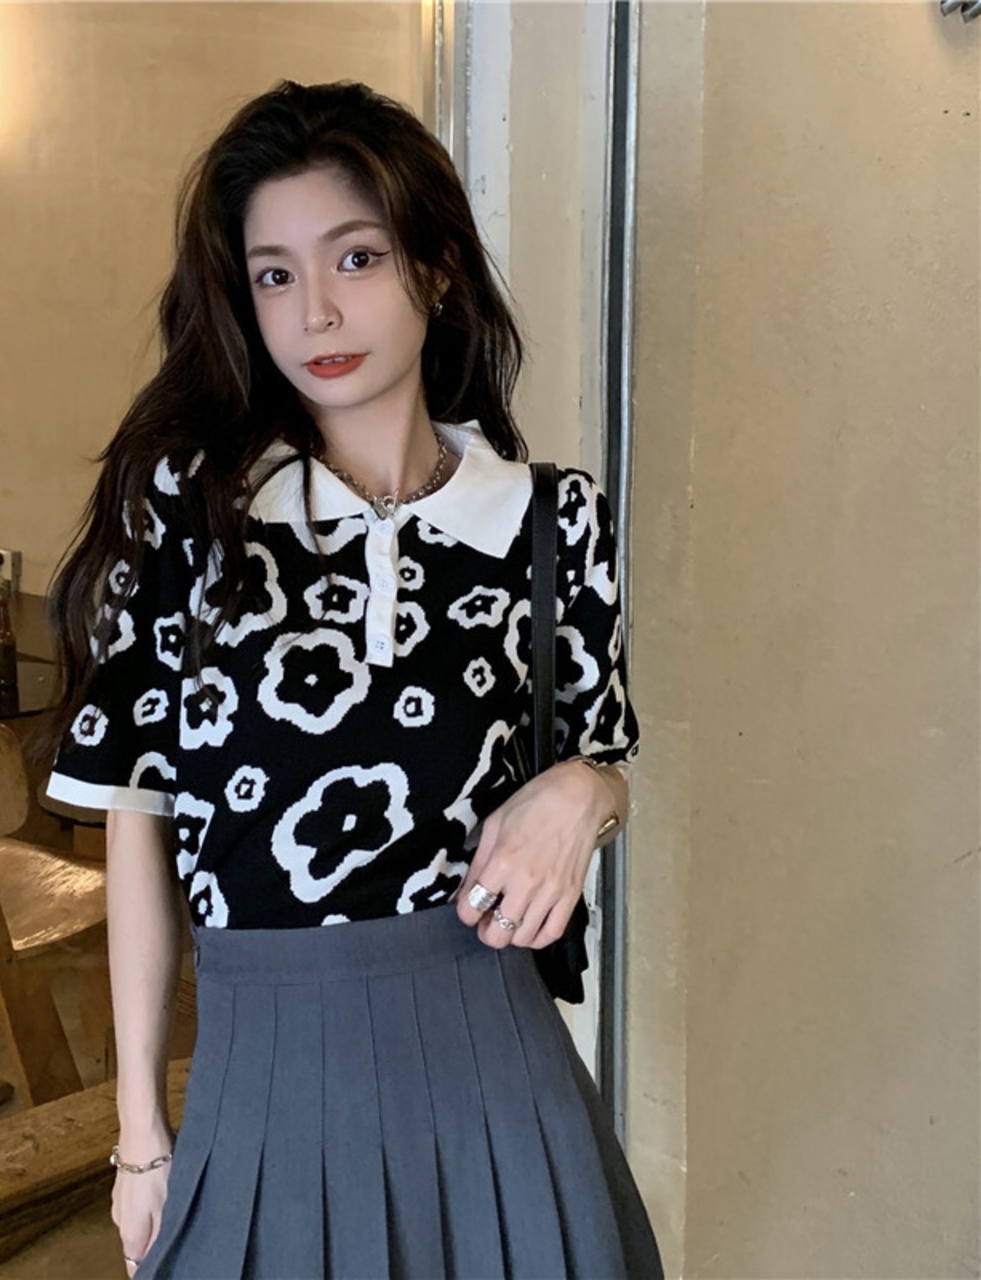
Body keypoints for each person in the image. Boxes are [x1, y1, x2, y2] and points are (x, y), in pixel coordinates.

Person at [45, 79, 662, 1279]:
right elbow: (140, 818)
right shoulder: (192, 513)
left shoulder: (551, 522)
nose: (316, 309)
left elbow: (595, 756)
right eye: (274, 274)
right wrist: (139, 1135)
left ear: (435, 268)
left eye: (357, 257)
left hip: (495, 1072)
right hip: (263, 1071)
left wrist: (590, 789)